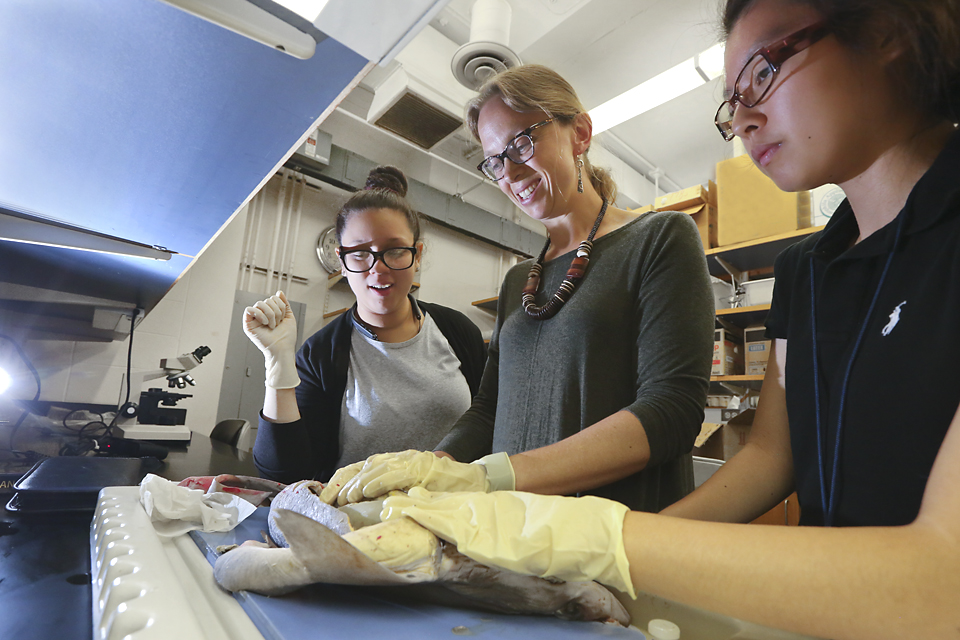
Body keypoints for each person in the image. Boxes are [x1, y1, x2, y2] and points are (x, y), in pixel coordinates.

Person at [366, 1, 960, 638]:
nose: (744, 122)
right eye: (731, 103)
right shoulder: (805, 272)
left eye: (762, 72)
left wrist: (598, 536)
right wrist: (446, 473)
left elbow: (941, 579)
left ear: (888, 29)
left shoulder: (658, 240)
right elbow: (769, 457)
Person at [319, 64, 716, 512]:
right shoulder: (518, 281)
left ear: (580, 133)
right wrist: (431, 467)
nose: (509, 171)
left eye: (521, 143)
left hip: (611, 540)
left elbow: (672, 412)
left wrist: (493, 476)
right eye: (494, 160)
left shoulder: (659, 239)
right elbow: (489, 408)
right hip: (513, 534)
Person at [243, 166, 487, 484]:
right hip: (359, 525)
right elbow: (285, 473)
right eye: (359, 254)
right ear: (341, 261)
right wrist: (278, 366)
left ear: (417, 255)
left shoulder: (457, 332)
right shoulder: (321, 354)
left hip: (456, 518)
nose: (378, 268)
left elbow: (489, 422)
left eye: (396, 250)